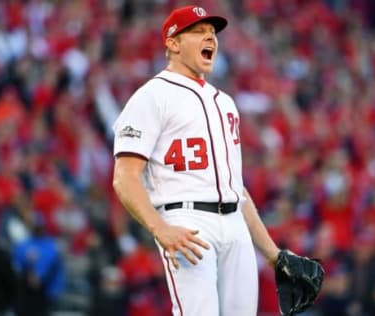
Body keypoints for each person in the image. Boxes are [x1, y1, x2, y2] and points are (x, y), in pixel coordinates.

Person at [112, 5, 281, 316]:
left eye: (212, 33)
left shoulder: (226, 103)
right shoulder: (151, 96)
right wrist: (159, 228)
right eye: (199, 32)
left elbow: (236, 189)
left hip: (235, 224)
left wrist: (273, 254)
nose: (211, 39)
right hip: (187, 222)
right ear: (173, 43)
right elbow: (125, 177)